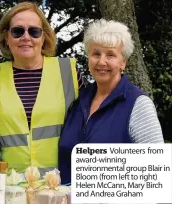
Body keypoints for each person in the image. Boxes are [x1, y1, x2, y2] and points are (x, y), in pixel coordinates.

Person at [58, 19, 164, 184]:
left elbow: (156, 171)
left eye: (111, 55)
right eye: (96, 53)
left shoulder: (138, 104)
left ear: (123, 62)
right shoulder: (78, 101)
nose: (102, 61)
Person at [0, 2, 85, 176]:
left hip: (62, 183)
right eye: (17, 31)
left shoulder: (69, 71)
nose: (26, 37)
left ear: (44, 37)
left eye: (34, 31)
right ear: (6, 37)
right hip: (11, 187)